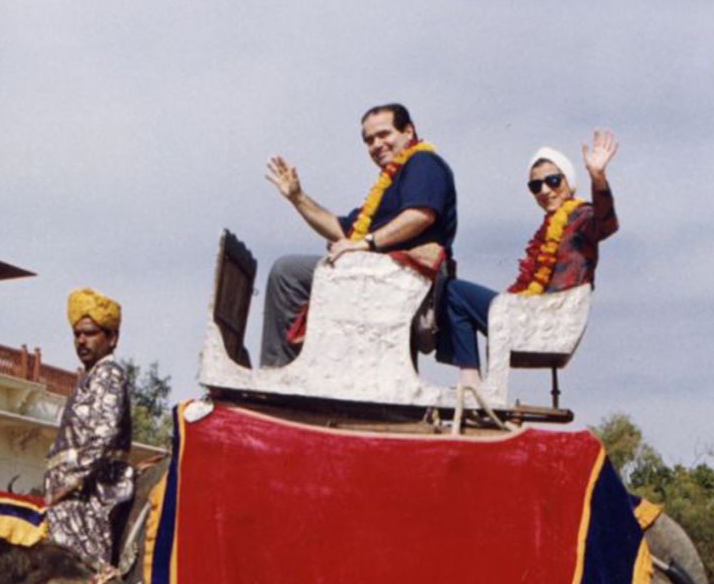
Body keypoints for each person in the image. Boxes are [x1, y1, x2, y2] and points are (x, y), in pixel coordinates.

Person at [261, 103, 458, 366]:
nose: (377, 144)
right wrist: (297, 198)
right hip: (382, 277)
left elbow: (420, 215)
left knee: (288, 272)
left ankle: (279, 368)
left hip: (405, 281)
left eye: (384, 134)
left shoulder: (423, 162)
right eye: (369, 140)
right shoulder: (390, 182)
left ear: (408, 132)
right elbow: (341, 230)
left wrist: (366, 244)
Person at [443, 129, 620, 386]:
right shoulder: (546, 230)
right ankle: (472, 379)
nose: (545, 190)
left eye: (553, 181)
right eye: (535, 185)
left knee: (453, 292)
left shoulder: (580, 217)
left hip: (548, 318)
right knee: (452, 294)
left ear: (569, 182)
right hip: (532, 312)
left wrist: (598, 177)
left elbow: (607, 224)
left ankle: (470, 379)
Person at [45, 288, 134, 568]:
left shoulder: (109, 373)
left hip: (89, 496)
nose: (82, 341)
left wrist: (71, 482)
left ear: (112, 338)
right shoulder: (89, 377)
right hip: (71, 496)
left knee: (78, 576)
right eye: (77, 334)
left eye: (91, 333)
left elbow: (103, 435)